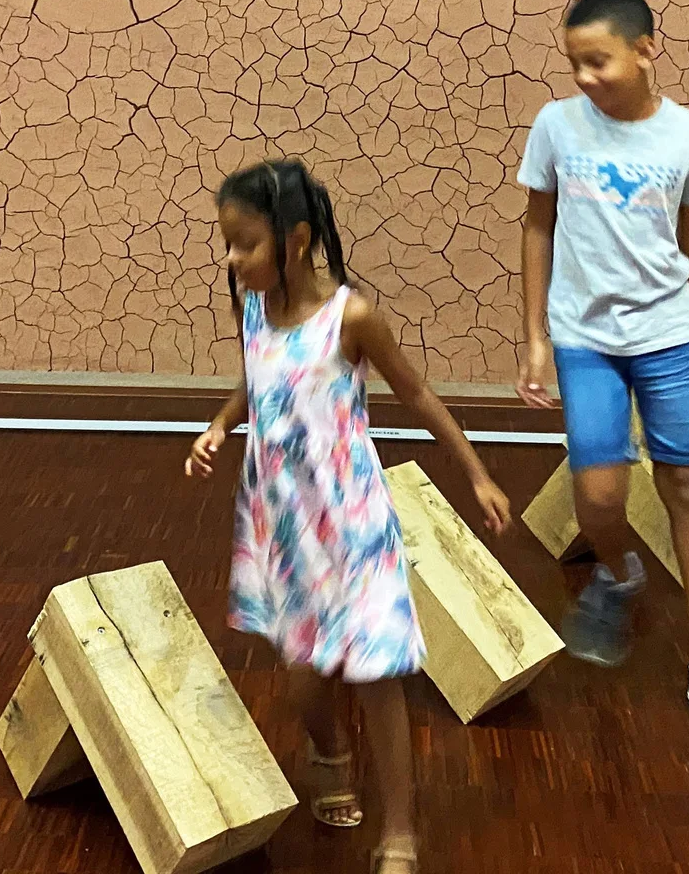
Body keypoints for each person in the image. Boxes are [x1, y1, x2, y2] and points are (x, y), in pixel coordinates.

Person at [186, 158, 512, 873]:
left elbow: (418, 395)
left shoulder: (351, 317)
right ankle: (327, 749)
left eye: (244, 244)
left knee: (375, 675)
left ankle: (400, 832)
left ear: (295, 240)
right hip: (284, 521)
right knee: (303, 675)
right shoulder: (253, 310)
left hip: (352, 519)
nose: (232, 260)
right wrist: (218, 424)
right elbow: (253, 382)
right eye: (227, 244)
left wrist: (478, 473)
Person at [515, 0, 689, 752]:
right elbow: (535, 226)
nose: (583, 77)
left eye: (597, 61)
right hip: (583, 337)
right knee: (597, 496)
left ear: (645, 48)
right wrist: (534, 339)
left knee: (686, 484)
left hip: (666, 337)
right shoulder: (556, 125)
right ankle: (617, 574)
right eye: (572, 62)